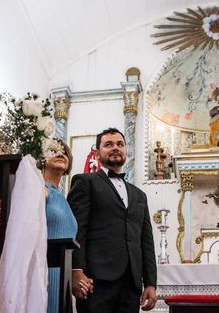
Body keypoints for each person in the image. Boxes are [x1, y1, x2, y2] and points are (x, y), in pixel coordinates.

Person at [67, 127, 157, 312]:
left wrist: (150, 283)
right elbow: (77, 229)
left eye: (120, 144)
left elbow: (146, 241)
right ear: (97, 152)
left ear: (126, 150)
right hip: (96, 279)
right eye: (108, 144)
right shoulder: (85, 182)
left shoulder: (139, 195)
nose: (115, 147)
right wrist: (76, 270)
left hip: (131, 282)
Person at [39, 138, 78, 313]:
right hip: (44, 273)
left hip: (63, 276)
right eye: (53, 150)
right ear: (42, 158)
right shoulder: (40, 189)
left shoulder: (64, 198)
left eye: (64, 151)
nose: (60, 153)